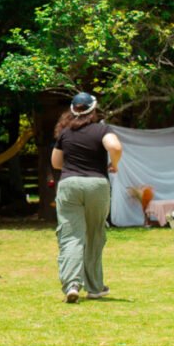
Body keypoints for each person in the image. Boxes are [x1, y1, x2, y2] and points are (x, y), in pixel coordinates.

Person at [51, 92, 123, 303]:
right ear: (93, 109)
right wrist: (114, 165)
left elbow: (56, 163)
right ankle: (94, 287)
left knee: (71, 236)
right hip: (97, 184)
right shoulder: (102, 129)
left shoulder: (65, 133)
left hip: (69, 184)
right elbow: (115, 147)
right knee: (94, 235)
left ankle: (72, 284)